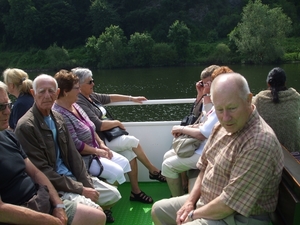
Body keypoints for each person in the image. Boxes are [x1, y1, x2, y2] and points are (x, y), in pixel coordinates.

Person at [151, 73, 284, 225]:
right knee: (158, 211)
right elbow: (204, 168)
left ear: (248, 99)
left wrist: (193, 214)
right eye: (219, 110)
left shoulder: (258, 142)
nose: (225, 117)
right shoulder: (220, 127)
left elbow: (228, 204)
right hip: (208, 202)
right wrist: (190, 202)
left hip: (238, 217)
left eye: (232, 108)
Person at [14, 74, 121, 222]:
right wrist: (81, 189)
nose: (47, 95)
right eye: (42, 91)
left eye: (51, 91)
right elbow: (42, 171)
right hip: (54, 186)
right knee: (97, 214)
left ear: (57, 93)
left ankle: (91, 210)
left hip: (72, 177)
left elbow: (74, 156)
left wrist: (86, 184)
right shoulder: (26, 126)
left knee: (114, 195)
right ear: (33, 93)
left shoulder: (57, 118)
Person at [72, 67, 165, 204]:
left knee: (130, 154)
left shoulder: (91, 96)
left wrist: (131, 98)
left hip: (109, 137)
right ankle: (153, 170)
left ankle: (135, 192)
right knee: (132, 141)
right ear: (79, 85)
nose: (93, 84)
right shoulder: (79, 101)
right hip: (101, 140)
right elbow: (99, 125)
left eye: (93, 81)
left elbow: (109, 97)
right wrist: (117, 122)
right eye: (90, 82)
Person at [53, 70, 131, 187]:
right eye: (77, 88)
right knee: (117, 172)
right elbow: (76, 144)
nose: (79, 91)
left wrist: (102, 144)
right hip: (83, 159)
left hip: (95, 151)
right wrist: (98, 151)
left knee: (124, 163)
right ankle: (104, 197)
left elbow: (91, 127)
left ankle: (105, 192)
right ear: (65, 92)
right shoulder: (60, 114)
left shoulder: (75, 105)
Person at [253, 67, 300, 152]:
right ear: (285, 82)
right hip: (294, 151)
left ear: (268, 83)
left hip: (270, 151)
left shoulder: (259, 99)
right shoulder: (295, 97)